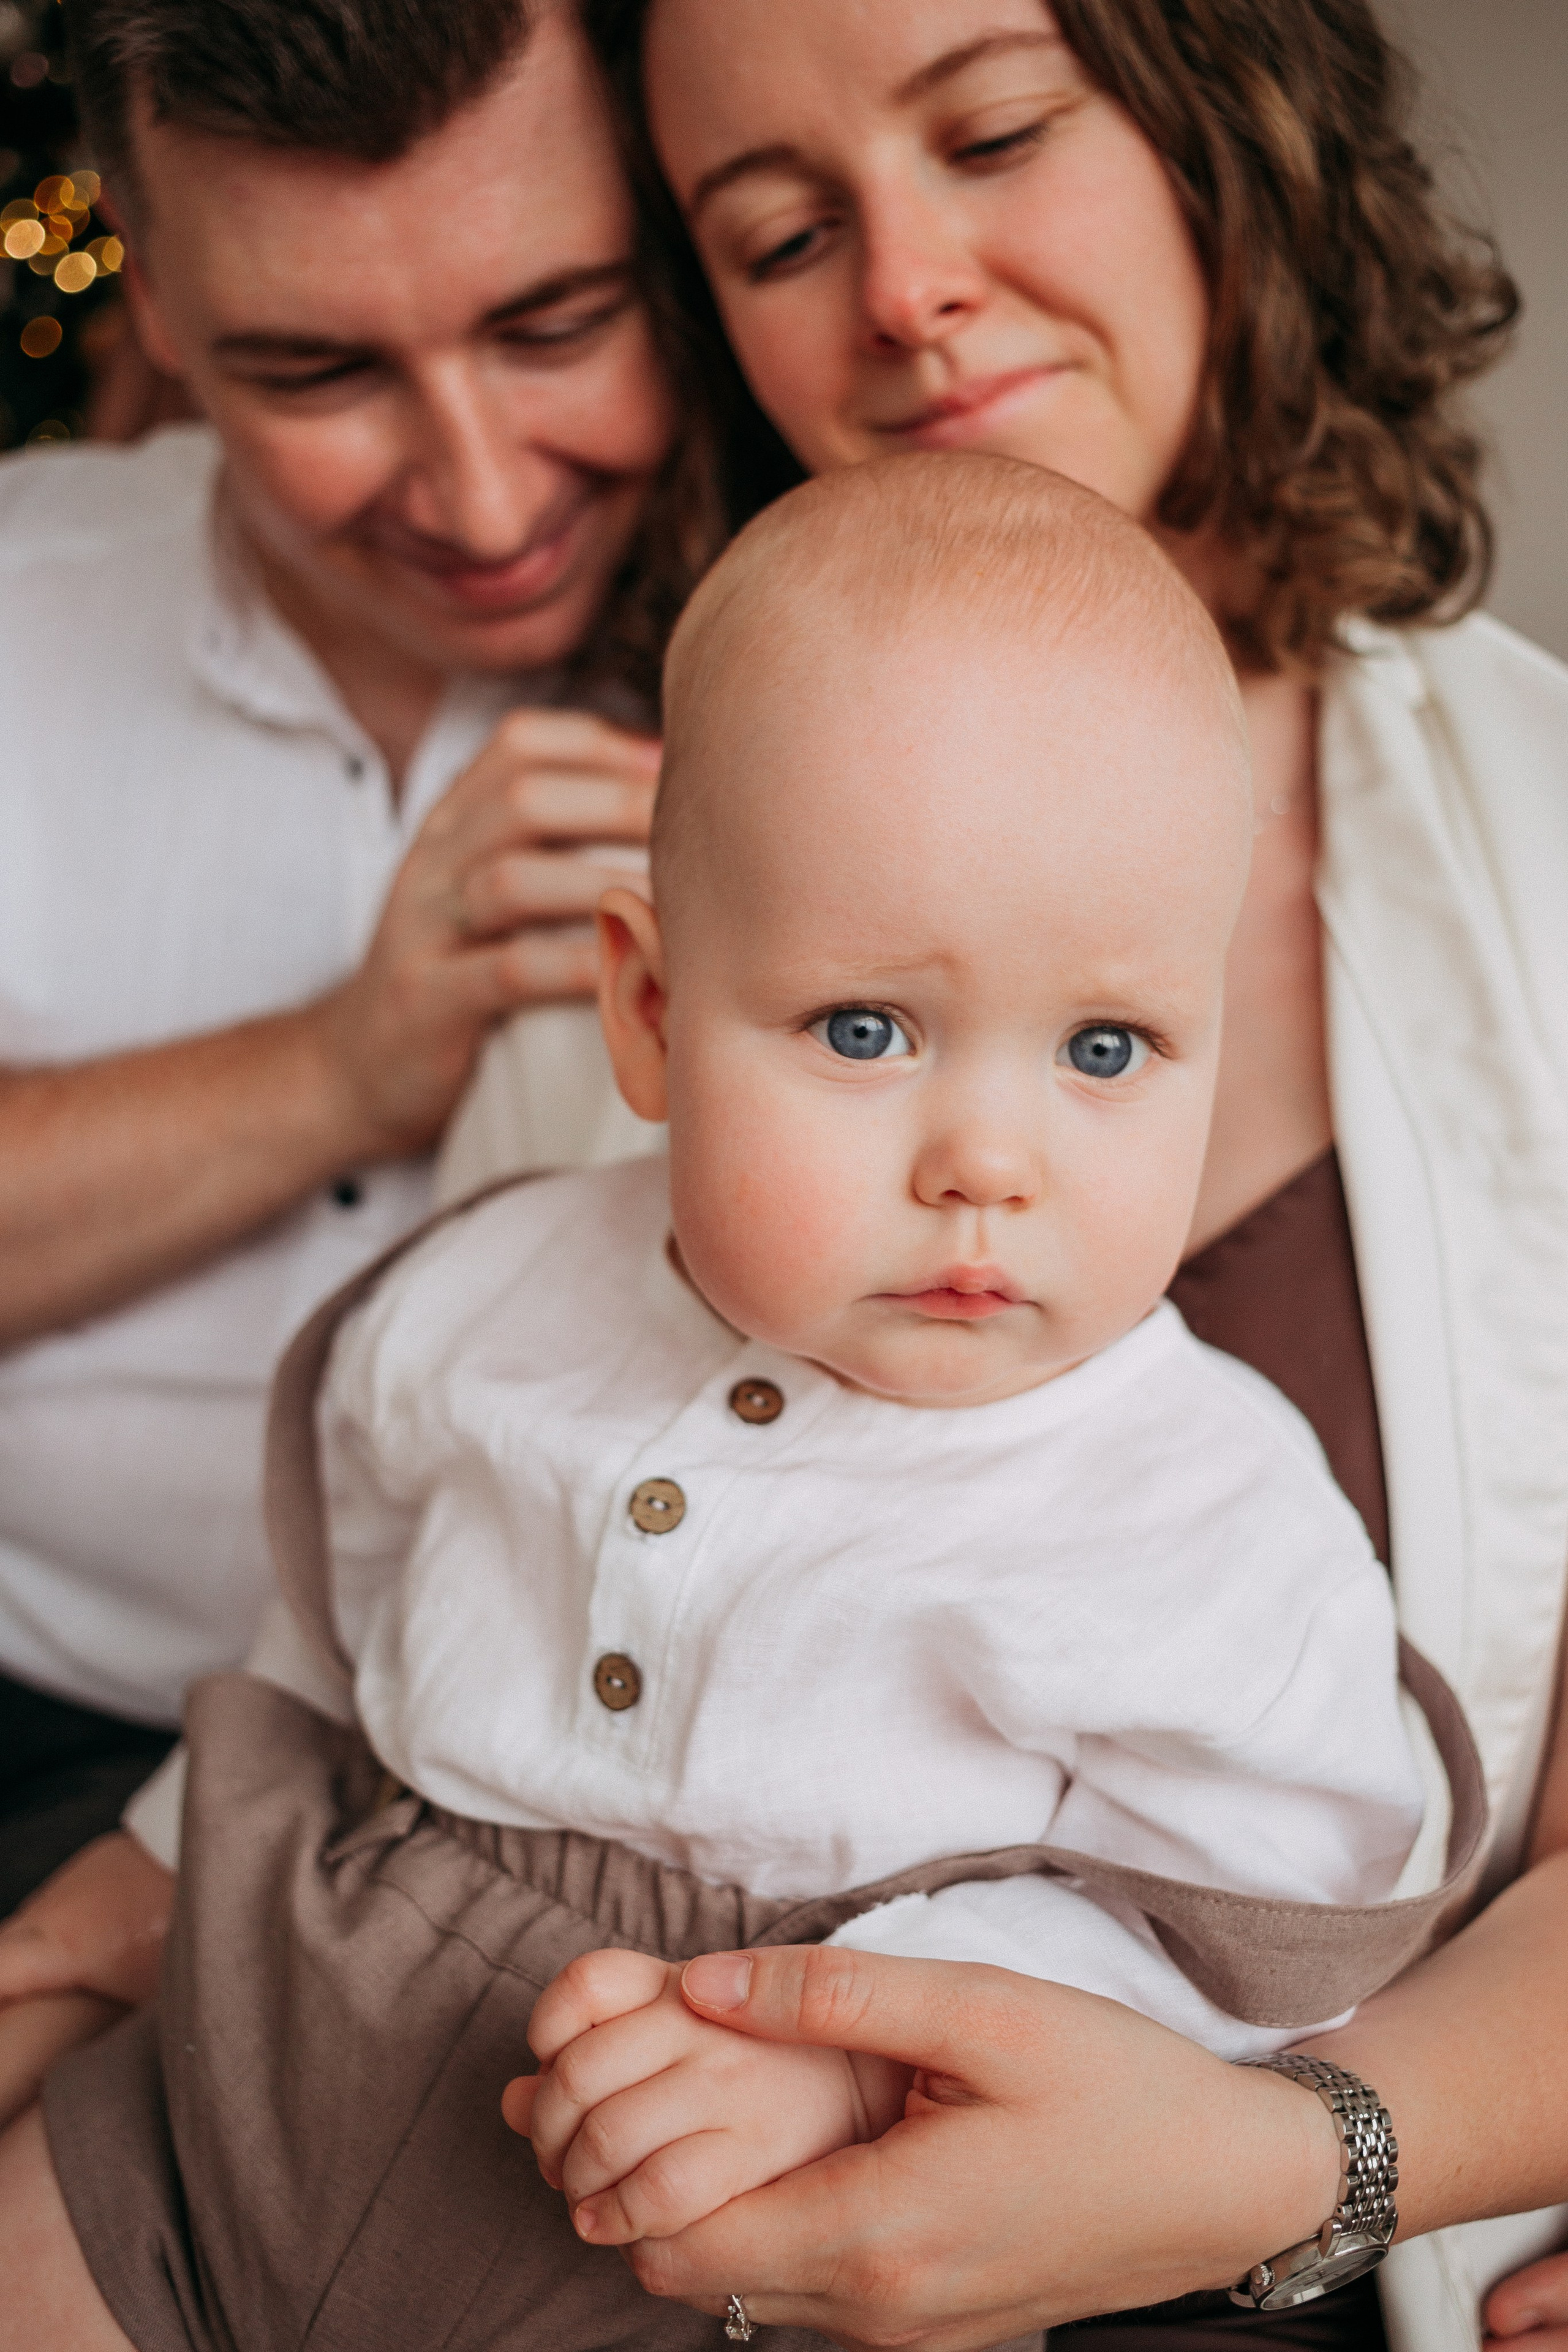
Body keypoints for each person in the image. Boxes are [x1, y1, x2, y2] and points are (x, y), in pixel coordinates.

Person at [0, 452, 1471, 2350]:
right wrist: (136, 1888)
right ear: (648, 1010)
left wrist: (877, 2058)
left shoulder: (1199, 1510)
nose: (988, 1162)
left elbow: (1265, 1910)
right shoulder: (491, 1296)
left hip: (732, 2232)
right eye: (868, 1031)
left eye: (1107, 1047)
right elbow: (321, 1661)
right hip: (255, 2080)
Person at [554, 2, 1568, 2348]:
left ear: (1229, 128)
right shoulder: (647, 888)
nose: (900, 286)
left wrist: (1303, 2165)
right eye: (784, 231)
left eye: (996, 131)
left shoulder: (1539, 854)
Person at [0, 0, 695, 1923]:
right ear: (144, 291)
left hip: (575, 1835)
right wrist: (338, 1068)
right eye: (314, 371)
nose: (483, 500)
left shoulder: (828, 621)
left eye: (559, 323)